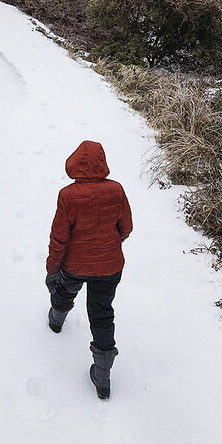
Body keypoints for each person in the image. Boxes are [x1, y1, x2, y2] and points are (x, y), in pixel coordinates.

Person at [45, 140, 133, 400]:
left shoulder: (67, 196)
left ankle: (56, 320)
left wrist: (52, 268)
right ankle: (103, 375)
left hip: (74, 265)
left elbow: (59, 238)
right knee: (102, 313)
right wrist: (110, 245)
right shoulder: (116, 190)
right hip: (110, 266)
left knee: (64, 291)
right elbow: (126, 227)